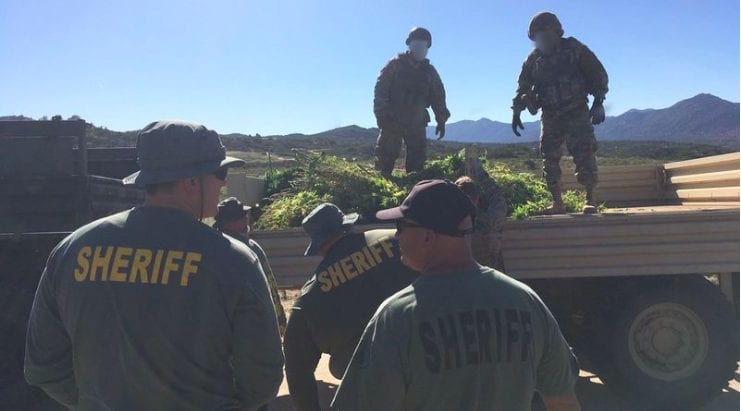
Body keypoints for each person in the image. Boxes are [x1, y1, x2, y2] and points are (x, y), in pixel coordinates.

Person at [24, 120, 284, 410]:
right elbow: (263, 378)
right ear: (191, 181)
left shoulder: (72, 249)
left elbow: (43, 368)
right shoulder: (234, 260)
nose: (223, 183)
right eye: (219, 172)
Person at [332, 179, 581, 411]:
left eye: (401, 226)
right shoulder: (526, 301)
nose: (397, 235)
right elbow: (563, 402)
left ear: (428, 236)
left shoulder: (397, 316)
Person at [284, 203, 418, 411]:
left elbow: (296, 367)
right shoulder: (395, 240)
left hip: (368, 392)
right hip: (426, 371)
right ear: (348, 225)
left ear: (319, 246)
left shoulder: (310, 297)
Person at [511, 12, 609, 214]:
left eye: (544, 35)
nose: (541, 41)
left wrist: (598, 103)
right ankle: (557, 202)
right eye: (537, 38)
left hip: (576, 111)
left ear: (556, 32)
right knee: (549, 157)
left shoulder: (575, 50)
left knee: (584, 153)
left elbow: (598, 75)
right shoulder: (533, 60)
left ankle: (590, 198)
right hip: (550, 114)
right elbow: (522, 87)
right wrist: (517, 111)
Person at [373, 26, 450, 176]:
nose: (420, 49)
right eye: (417, 45)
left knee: (417, 163)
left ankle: (414, 190)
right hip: (392, 120)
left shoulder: (429, 72)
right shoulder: (395, 65)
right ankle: (380, 188)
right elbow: (380, 90)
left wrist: (441, 119)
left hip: (417, 121)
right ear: (409, 45)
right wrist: (382, 116)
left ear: (428, 47)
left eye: (424, 45)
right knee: (384, 160)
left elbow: (438, 96)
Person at [213, 196, 288, 336]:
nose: (246, 220)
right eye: (242, 217)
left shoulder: (210, 247)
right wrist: (279, 319)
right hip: (253, 325)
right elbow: (269, 285)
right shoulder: (251, 249)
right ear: (232, 223)